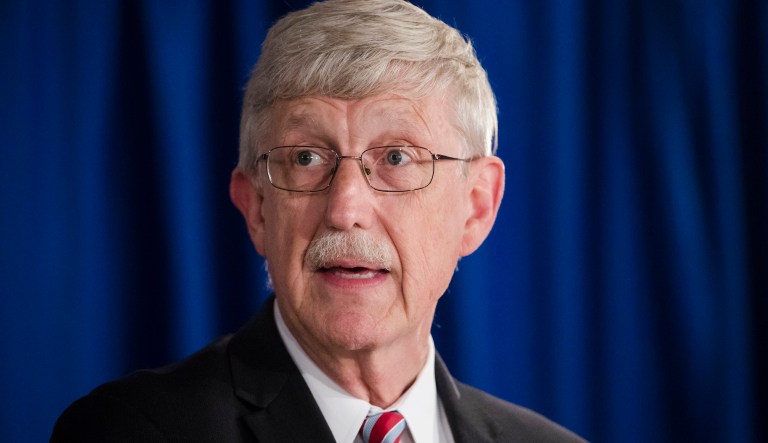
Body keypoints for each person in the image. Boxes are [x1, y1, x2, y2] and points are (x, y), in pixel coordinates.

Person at [52, 0, 586, 441]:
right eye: (306, 158)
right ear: (256, 206)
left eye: (397, 158)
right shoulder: (130, 431)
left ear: (477, 207)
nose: (345, 209)